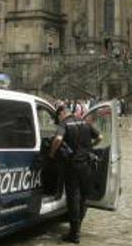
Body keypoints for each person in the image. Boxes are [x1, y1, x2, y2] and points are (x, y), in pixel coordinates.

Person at [49, 103, 102, 244]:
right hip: (87, 165)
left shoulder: (64, 124)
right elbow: (100, 136)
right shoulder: (84, 122)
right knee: (83, 197)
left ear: (61, 114)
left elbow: (58, 139)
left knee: (73, 198)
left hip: (72, 166)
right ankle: (78, 226)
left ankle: (74, 233)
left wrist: (52, 153)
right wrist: (91, 147)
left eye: (57, 117)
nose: (58, 120)